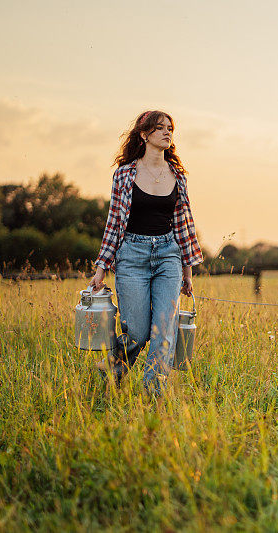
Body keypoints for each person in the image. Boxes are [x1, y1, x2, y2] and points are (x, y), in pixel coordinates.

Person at [89, 110, 203, 396]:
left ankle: (154, 395)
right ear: (144, 135)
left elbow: (183, 225)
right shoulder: (125, 174)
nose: (167, 133)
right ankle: (112, 368)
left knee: (164, 330)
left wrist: (187, 272)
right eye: (160, 128)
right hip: (132, 256)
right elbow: (114, 222)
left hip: (168, 256)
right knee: (137, 333)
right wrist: (101, 267)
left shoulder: (177, 175)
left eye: (170, 128)